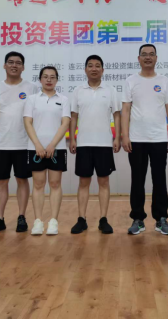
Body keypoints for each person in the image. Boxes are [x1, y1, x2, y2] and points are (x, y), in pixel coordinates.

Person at [122, 44, 168, 235]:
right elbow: (125, 109)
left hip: (159, 138)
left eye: (151, 54)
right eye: (144, 54)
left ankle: (161, 219)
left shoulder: (164, 81)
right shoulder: (131, 81)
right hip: (136, 139)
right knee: (137, 180)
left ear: (156, 58)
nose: (148, 57)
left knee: (159, 179)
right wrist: (125, 135)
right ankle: (138, 219)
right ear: (138, 59)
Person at [0, 52, 38, 235]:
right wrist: (4, 129)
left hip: (24, 144)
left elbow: (35, 114)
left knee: (22, 180)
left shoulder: (32, 88)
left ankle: (21, 217)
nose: (14, 65)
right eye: (11, 62)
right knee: (1, 181)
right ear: (4, 65)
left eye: (18, 63)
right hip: (2, 144)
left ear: (23, 67)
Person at [69, 55, 121, 235]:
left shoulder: (111, 90)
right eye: (90, 65)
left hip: (104, 143)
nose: (94, 68)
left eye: (97, 66)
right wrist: (72, 138)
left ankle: (103, 219)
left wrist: (117, 137)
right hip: (83, 143)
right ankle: (81, 219)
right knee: (83, 182)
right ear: (85, 69)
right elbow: (73, 116)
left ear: (103, 70)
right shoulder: (78, 90)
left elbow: (117, 115)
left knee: (104, 181)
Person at [24, 66, 71, 235]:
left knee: (55, 184)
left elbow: (65, 123)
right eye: (45, 77)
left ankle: (53, 221)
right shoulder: (32, 99)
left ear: (57, 80)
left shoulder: (63, 99)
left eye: (52, 77)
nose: (49, 80)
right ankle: (38, 221)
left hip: (57, 148)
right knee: (38, 184)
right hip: (35, 148)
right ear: (40, 79)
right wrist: (37, 144)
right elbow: (27, 122)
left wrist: (52, 145)